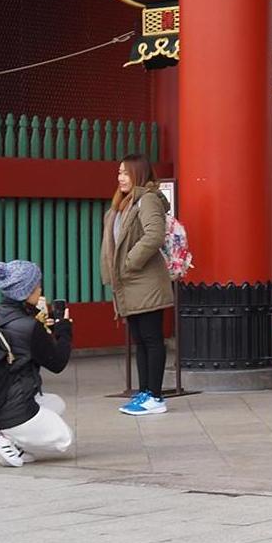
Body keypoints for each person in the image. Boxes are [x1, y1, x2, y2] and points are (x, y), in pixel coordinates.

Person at [0, 259, 74, 469]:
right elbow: (58, 363)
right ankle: (5, 439)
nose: (40, 289)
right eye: (36, 285)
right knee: (65, 439)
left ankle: (7, 440)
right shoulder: (29, 326)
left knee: (56, 404)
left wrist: (43, 327)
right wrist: (63, 330)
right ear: (26, 291)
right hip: (12, 407)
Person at [100, 154, 174, 417]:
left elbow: (154, 235)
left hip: (146, 280)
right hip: (128, 283)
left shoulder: (147, 200)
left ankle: (155, 395)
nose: (120, 178)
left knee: (152, 339)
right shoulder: (121, 205)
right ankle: (144, 392)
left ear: (139, 175)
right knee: (140, 340)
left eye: (126, 173)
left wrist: (130, 261)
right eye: (119, 172)